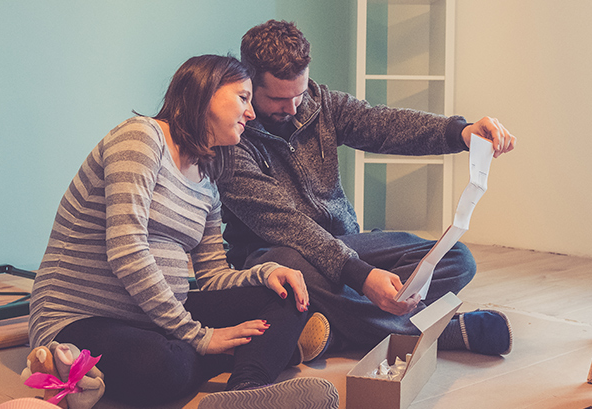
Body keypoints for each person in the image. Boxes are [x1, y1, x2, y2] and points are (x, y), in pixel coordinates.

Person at [27, 54, 338, 409]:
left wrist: (267, 272)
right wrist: (200, 337)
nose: (251, 113)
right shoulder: (141, 138)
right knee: (162, 367)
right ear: (205, 92)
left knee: (287, 292)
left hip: (155, 316)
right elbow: (126, 250)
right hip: (81, 315)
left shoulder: (208, 181)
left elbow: (211, 276)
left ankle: (245, 393)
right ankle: (258, 354)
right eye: (242, 97)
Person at [218, 20, 519, 358]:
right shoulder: (230, 139)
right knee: (286, 263)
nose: (292, 108)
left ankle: (336, 331)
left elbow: (384, 124)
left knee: (457, 259)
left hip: (346, 243)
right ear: (249, 83)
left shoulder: (321, 104)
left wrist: (461, 133)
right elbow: (288, 225)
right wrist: (362, 277)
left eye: (298, 95)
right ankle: (441, 332)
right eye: (277, 99)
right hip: (275, 255)